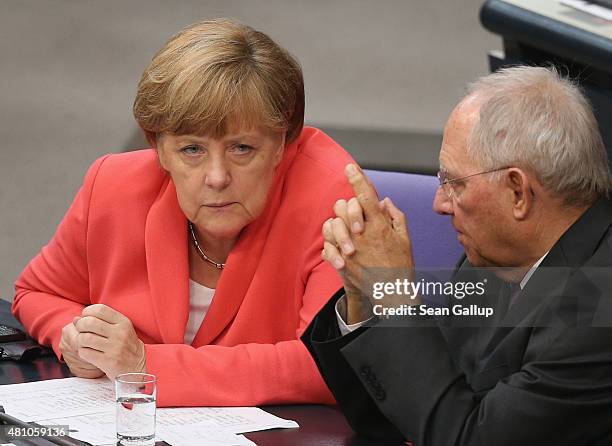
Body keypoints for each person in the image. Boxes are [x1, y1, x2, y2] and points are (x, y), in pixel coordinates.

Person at [13, 18, 355, 407]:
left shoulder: (339, 198)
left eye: (242, 148)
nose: (216, 177)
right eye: (191, 149)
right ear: (158, 147)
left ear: (282, 142)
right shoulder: (112, 184)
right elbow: (38, 292)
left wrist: (144, 364)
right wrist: (75, 339)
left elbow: (331, 364)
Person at [303, 66, 612, 445]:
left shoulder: (598, 309)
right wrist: (364, 296)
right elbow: (405, 411)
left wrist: (395, 296)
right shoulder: (491, 262)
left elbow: (467, 438)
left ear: (518, 192)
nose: (439, 204)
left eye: (454, 183)